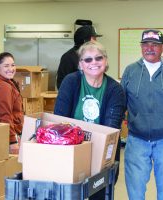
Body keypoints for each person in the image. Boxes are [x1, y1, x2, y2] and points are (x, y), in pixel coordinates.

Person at [121, 29, 163, 200]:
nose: (149, 48)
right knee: (135, 192)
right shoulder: (130, 71)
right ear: (141, 47)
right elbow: (120, 102)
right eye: (145, 44)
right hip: (137, 140)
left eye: (155, 44)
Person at [54, 41, 126, 199]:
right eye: (88, 59)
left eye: (98, 58)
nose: (93, 62)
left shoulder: (115, 89)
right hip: (71, 151)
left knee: (99, 195)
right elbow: (59, 120)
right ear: (80, 64)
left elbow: (110, 129)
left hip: (102, 156)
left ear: (105, 61)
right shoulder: (70, 82)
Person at [0, 52, 24, 154]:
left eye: (13, 65)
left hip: (7, 133)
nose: (11, 69)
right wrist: (12, 141)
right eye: (6, 66)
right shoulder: (3, 86)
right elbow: (5, 115)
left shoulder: (8, 83)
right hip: (5, 137)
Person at [56, 25, 102, 89]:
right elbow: (62, 85)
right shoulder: (68, 57)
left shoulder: (91, 57)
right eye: (94, 39)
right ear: (85, 41)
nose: (96, 41)